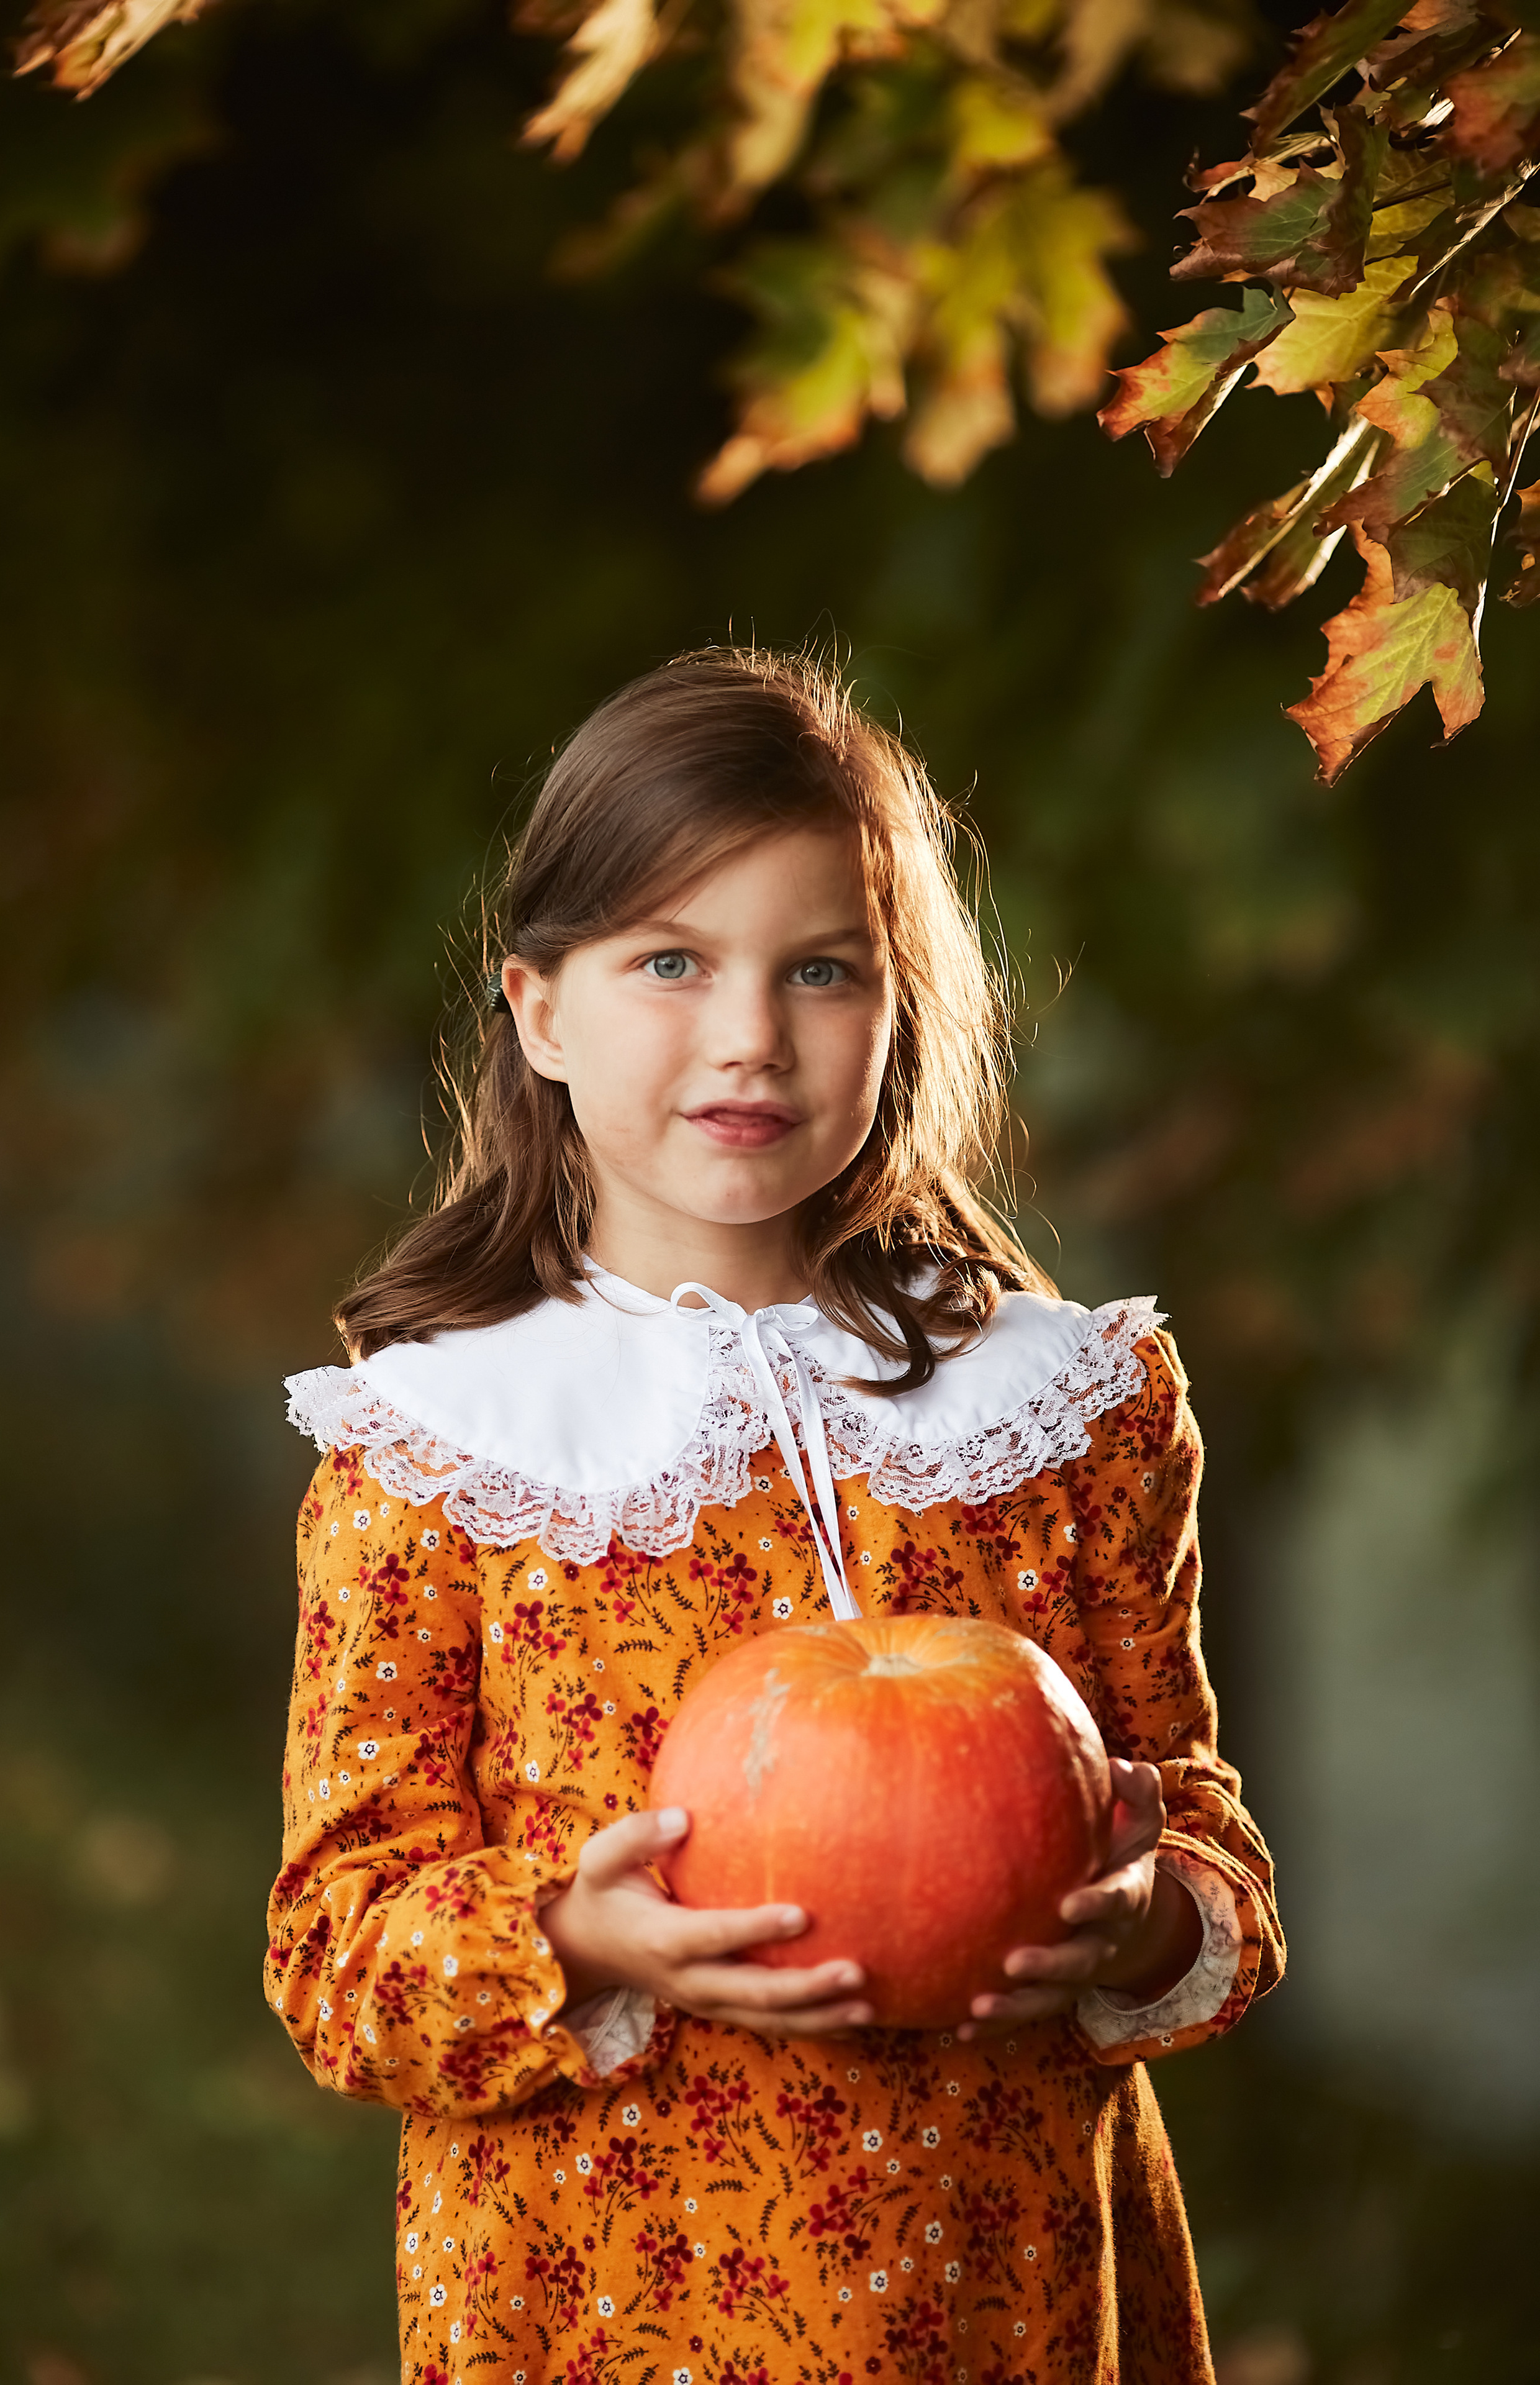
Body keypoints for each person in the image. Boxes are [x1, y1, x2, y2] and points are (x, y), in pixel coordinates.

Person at [266, 647, 1284, 2385]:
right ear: (539, 1010)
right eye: (672, 962)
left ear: (900, 1010)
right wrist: (573, 1934)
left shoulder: (1069, 1413)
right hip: (597, 2302)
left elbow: (1207, 1839)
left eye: (821, 971)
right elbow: (334, 1950)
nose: (750, 1036)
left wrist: (1148, 1919)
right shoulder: (441, 1445)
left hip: (1009, 2292)